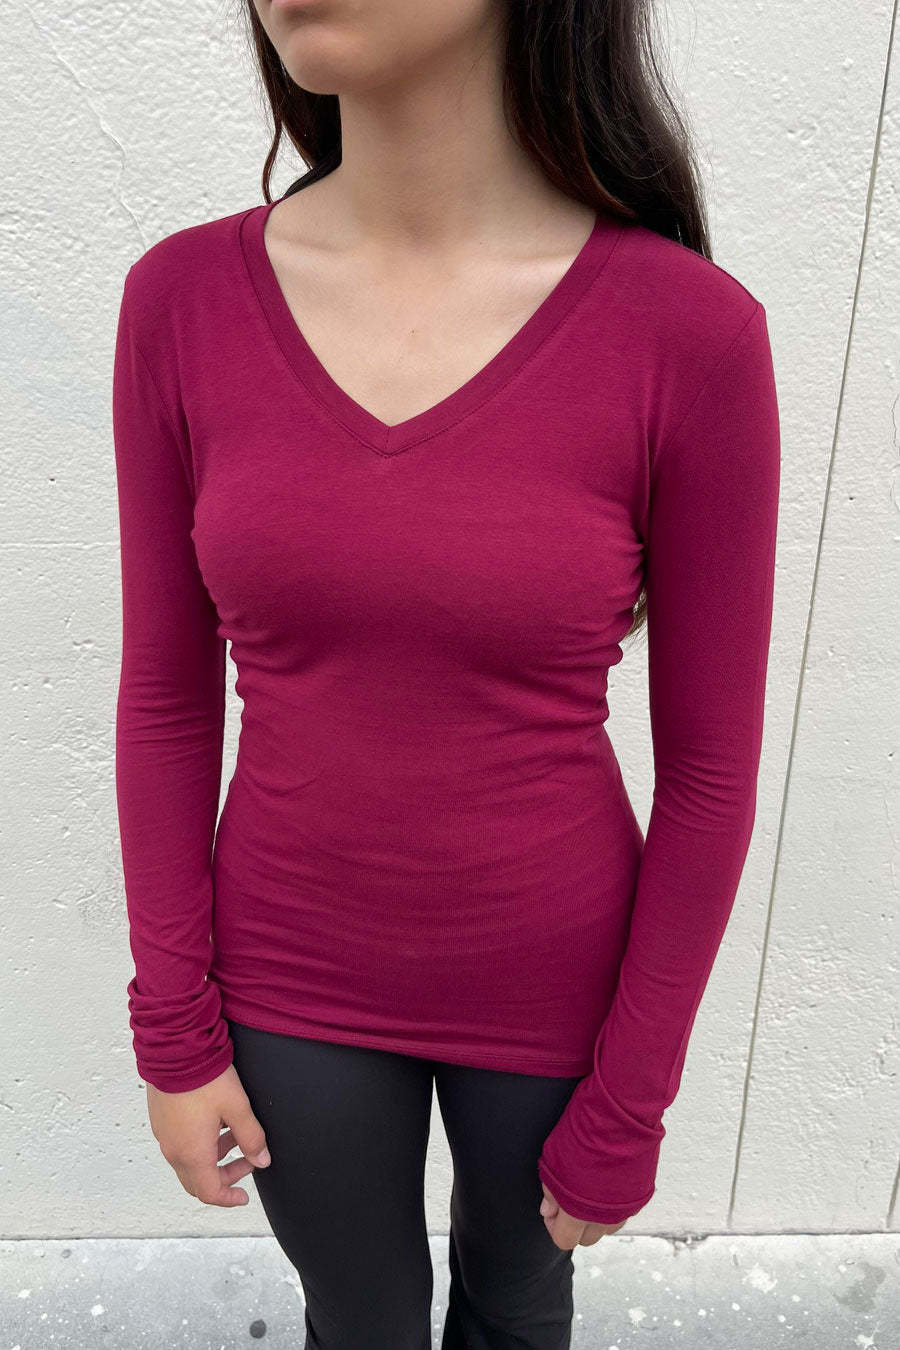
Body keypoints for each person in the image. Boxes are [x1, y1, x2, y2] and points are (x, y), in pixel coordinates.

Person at [110, 1, 781, 1346]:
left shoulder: (689, 332)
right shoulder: (181, 301)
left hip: (556, 985)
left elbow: (709, 774)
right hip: (290, 972)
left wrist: (633, 1093)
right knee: (356, 1321)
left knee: (516, 1313)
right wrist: (171, 1030)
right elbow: (168, 703)